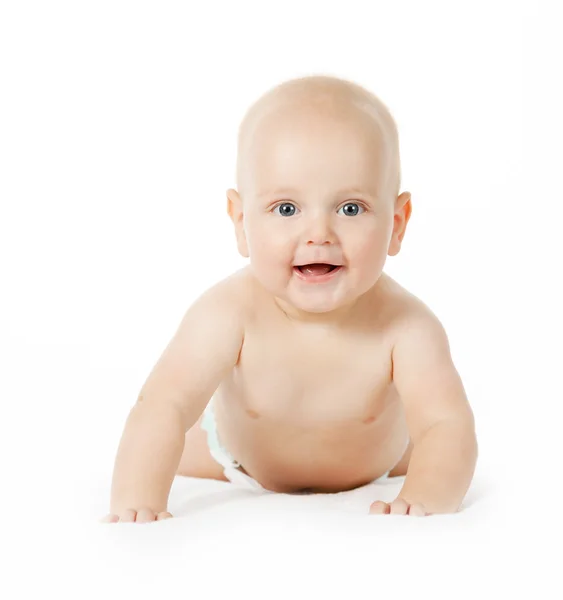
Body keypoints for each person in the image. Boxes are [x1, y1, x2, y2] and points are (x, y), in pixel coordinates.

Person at [102, 74, 478, 524]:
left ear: (397, 223)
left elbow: (445, 424)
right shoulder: (227, 314)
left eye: (351, 208)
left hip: (378, 459)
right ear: (241, 222)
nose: (318, 234)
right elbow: (165, 404)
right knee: (163, 439)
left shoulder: (407, 327)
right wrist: (138, 501)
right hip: (237, 457)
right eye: (286, 208)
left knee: (435, 449)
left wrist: (426, 494)